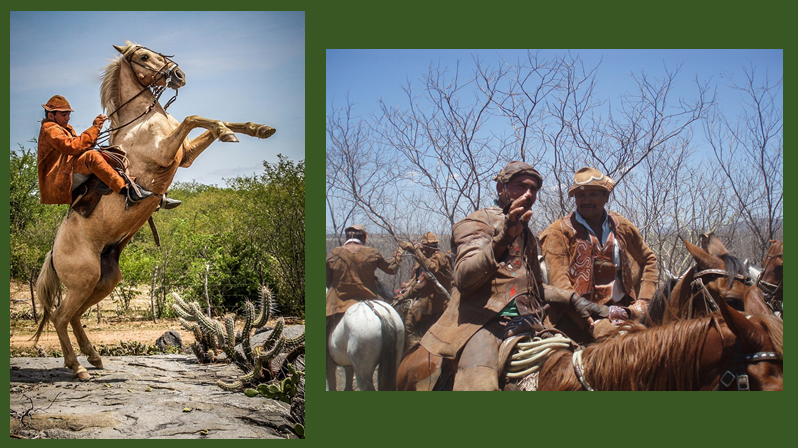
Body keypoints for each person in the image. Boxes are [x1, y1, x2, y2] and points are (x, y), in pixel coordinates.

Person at [418, 161, 607, 391]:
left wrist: (573, 300)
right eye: (520, 186)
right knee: (480, 388)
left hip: (531, 320)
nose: (529, 194)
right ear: (501, 189)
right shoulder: (478, 222)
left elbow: (535, 288)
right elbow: (464, 279)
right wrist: (503, 238)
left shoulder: (524, 230)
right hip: (482, 323)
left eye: (534, 189)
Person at [539, 167, 658, 341]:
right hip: (578, 318)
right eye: (580, 196)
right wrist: (586, 316)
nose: (586, 200)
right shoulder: (558, 232)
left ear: (606, 196)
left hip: (625, 312)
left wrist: (645, 300)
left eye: (593, 194)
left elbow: (648, 259)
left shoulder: (621, 226)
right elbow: (560, 283)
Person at [37, 95, 168, 207]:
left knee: (110, 153)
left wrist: (94, 134)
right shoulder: (50, 129)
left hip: (68, 169)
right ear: (51, 115)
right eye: (64, 115)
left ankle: (149, 193)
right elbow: (73, 147)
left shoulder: (64, 128)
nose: (68, 118)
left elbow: (79, 146)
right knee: (92, 157)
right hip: (60, 177)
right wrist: (94, 128)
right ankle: (126, 191)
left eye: (68, 115)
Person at [326, 225, 404, 357]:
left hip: (339, 305)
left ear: (347, 237)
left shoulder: (333, 254)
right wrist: (398, 253)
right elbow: (392, 269)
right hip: (368, 302)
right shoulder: (371, 253)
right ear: (364, 237)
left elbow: (327, 281)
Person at [395, 231, 452, 353]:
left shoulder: (438, 257)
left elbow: (421, 283)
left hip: (433, 302)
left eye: (423, 245)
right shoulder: (432, 257)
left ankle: (414, 348)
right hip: (436, 299)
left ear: (427, 246)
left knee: (408, 321)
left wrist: (404, 296)